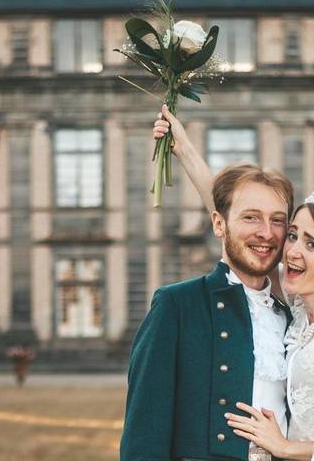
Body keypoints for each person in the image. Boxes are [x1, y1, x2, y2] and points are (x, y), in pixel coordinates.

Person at [152, 106, 314, 461]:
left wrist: (285, 448)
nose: (292, 251)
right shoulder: (299, 313)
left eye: (312, 244)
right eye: (292, 235)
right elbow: (237, 220)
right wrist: (184, 150)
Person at [119, 159, 295, 461]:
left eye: (277, 220)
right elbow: (144, 433)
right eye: (251, 218)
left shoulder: (292, 315)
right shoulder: (177, 305)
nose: (266, 233)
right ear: (218, 224)